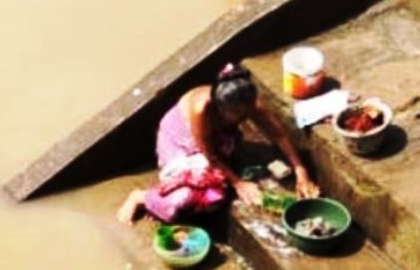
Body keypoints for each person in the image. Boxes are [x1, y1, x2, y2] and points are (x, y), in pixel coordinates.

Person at [117, 63, 321, 223]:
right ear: (220, 107)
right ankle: (141, 197)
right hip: (180, 140)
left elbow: (278, 135)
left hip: (216, 140)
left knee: (214, 199)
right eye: (236, 114)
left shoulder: (250, 103)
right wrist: (239, 183)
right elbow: (210, 155)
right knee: (186, 199)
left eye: (245, 113)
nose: (242, 117)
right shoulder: (201, 109)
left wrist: (301, 171)